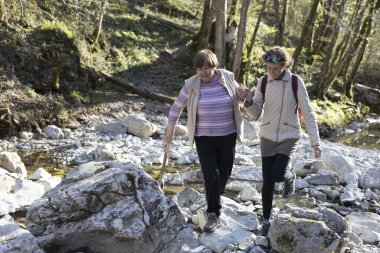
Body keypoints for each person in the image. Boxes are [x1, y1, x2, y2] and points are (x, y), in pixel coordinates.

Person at [239, 46, 322, 237]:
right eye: (268, 68)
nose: (271, 72)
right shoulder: (263, 82)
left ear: (285, 65)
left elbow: (308, 113)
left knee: (277, 174)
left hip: (289, 136)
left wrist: (315, 143)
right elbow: (255, 114)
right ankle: (266, 221)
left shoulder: (295, 82)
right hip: (267, 135)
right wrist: (249, 101)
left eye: (275, 69)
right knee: (267, 182)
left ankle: (289, 175)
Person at [162, 49, 244, 233]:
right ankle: (213, 213)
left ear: (215, 67)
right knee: (210, 174)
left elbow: (239, 99)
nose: (204, 72)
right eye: (200, 68)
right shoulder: (191, 85)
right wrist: (169, 133)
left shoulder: (228, 78)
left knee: (224, 174)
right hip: (204, 138)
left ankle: (216, 195)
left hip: (227, 135)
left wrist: (243, 94)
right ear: (196, 69)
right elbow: (176, 108)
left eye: (208, 68)